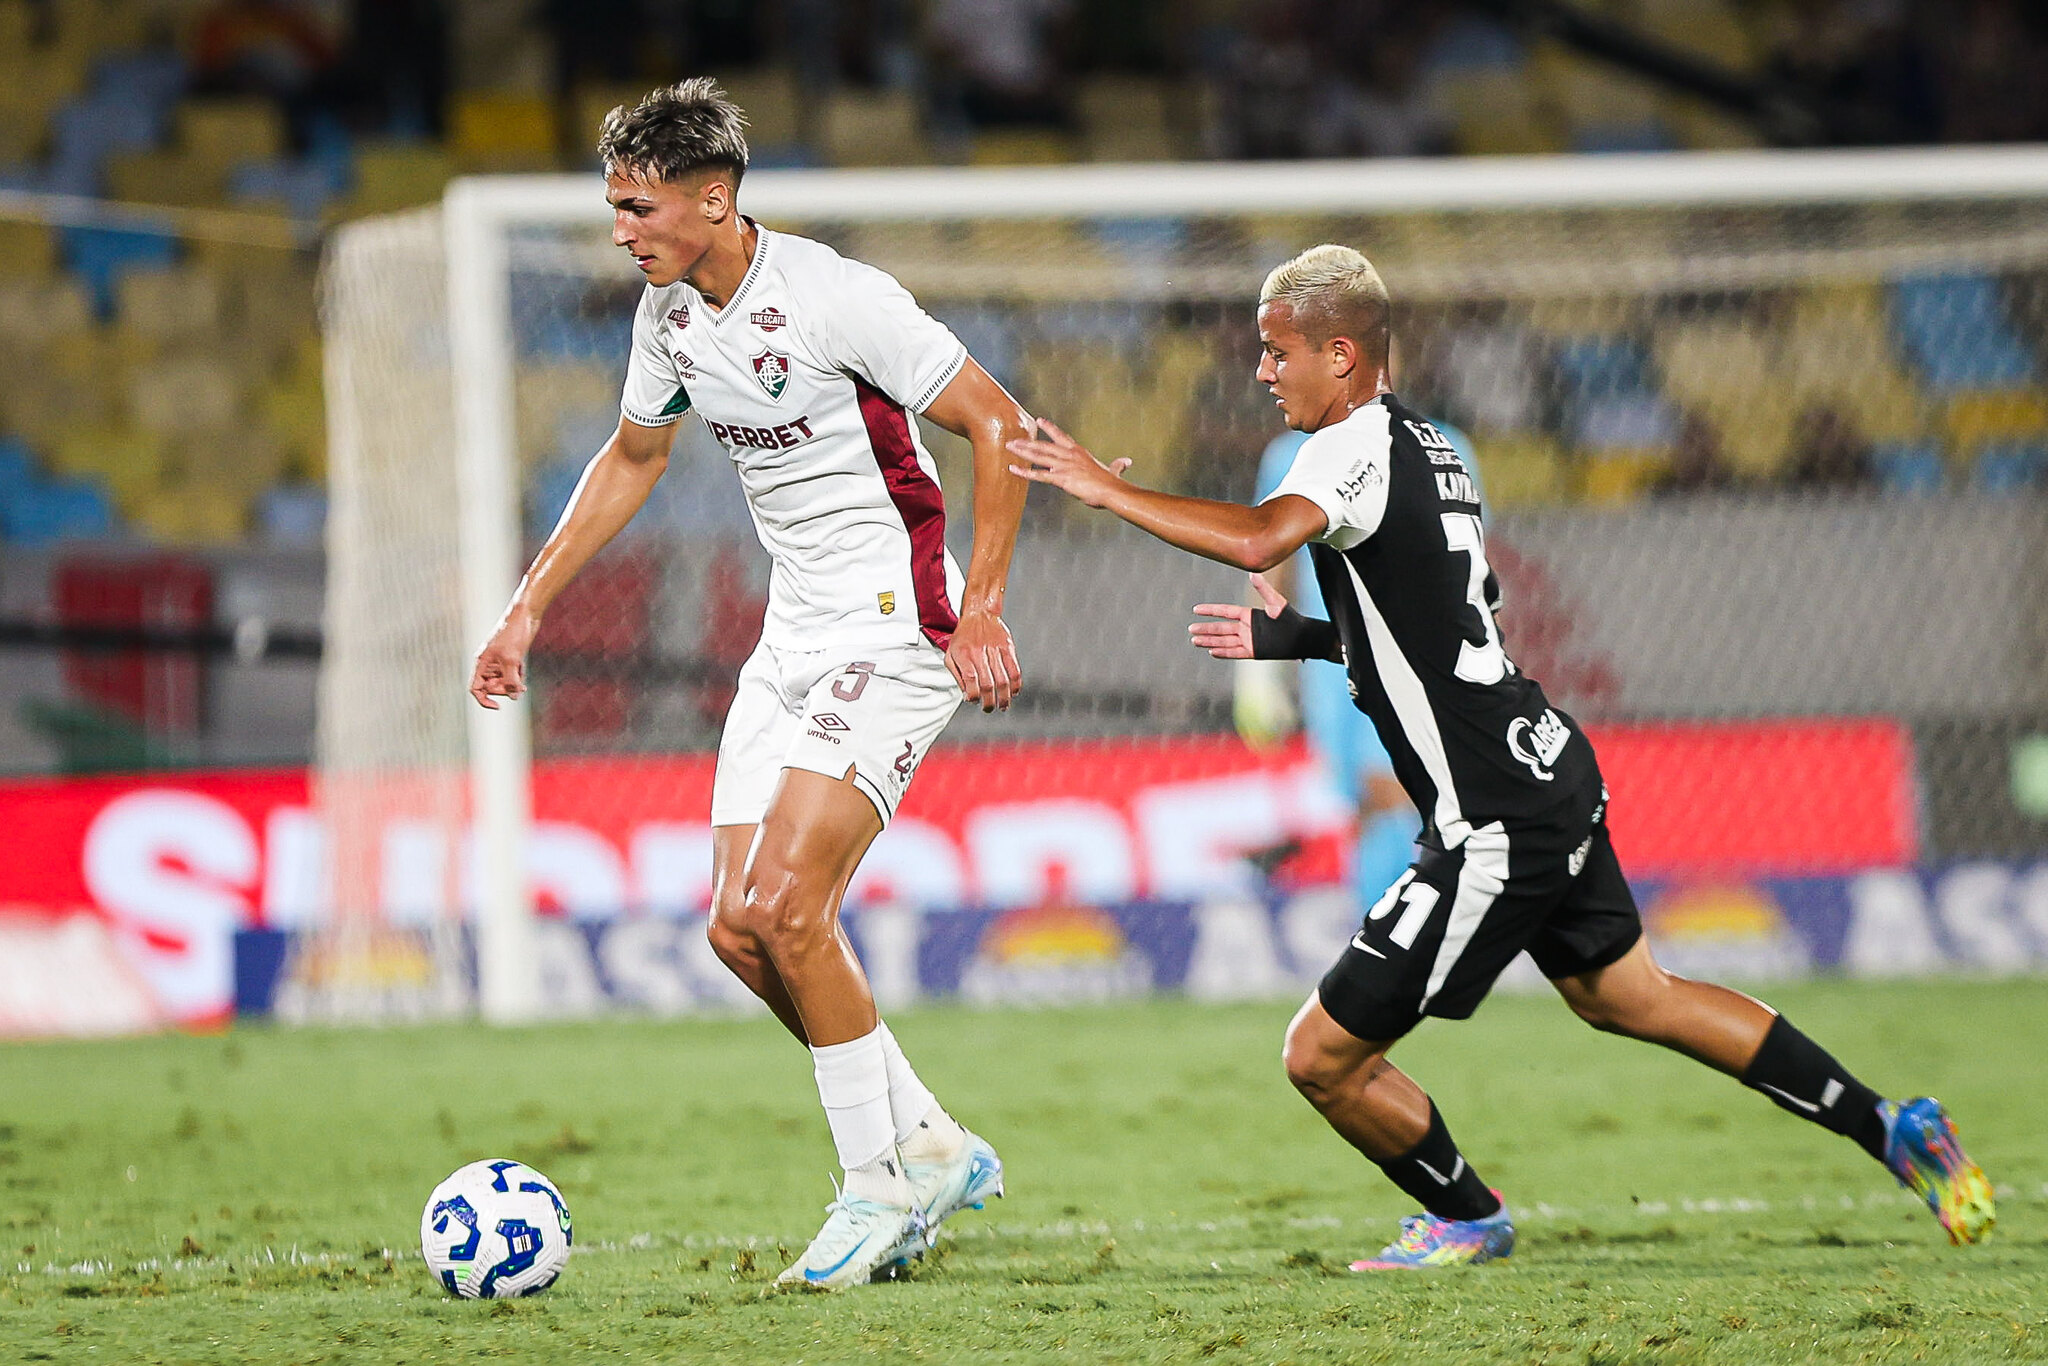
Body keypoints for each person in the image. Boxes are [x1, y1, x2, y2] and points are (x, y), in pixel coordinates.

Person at [1005, 243, 1994, 1269]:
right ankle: (1892, 1125)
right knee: (1631, 995)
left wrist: (1102, 490)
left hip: (1493, 820)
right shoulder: (1430, 446)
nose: (1260, 371)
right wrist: (1293, 639)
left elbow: (1261, 540)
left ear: (1339, 355)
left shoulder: (1347, 447)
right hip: (1545, 768)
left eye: (1275, 351)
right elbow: (1438, 620)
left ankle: (1467, 1215)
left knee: (1320, 1057)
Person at [468, 80, 1025, 1290]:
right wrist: (526, 606)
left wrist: (977, 604)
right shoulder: (668, 316)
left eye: (638, 206)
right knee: (736, 928)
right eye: (613, 206)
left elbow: (996, 424)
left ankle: (875, 1183)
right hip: (790, 636)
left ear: (712, 200)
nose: (620, 230)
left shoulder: (838, 300)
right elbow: (633, 453)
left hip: (894, 626)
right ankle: (926, 1139)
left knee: (784, 907)